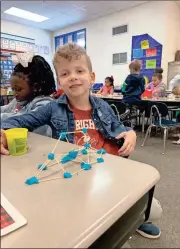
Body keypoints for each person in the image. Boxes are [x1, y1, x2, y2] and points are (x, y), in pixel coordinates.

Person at [0, 43, 162, 239]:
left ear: (91, 77)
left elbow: (119, 128)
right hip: (79, 174)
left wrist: (131, 133)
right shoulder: (52, 108)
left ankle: (134, 218)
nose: (73, 77)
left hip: (112, 171)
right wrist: (4, 130)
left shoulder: (102, 105)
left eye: (79, 71)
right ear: (59, 81)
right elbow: (22, 120)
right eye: (65, 74)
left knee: (148, 209)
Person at [1, 54, 56, 137]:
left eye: (19, 89)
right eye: (13, 89)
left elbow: (23, 119)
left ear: (36, 87)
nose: (15, 93)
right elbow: (5, 109)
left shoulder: (45, 104)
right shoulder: (19, 100)